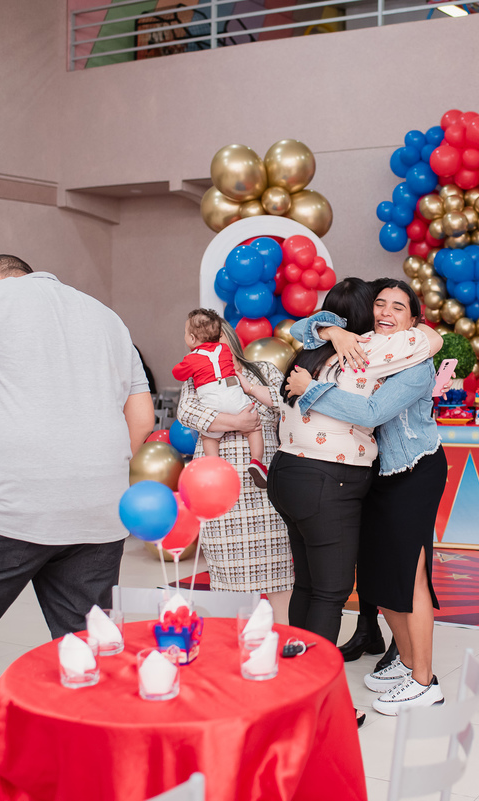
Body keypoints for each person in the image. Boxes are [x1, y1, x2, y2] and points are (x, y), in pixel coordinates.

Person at [0, 254, 153, 762]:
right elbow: (142, 414)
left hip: (2, 503)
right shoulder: (106, 316)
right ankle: (93, 767)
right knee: (88, 643)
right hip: (97, 509)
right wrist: (97, 471)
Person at [286, 279, 447, 715]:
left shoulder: (416, 361)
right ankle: (407, 660)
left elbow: (373, 412)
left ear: (413, 320)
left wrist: (311, 390)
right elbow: (297, 331)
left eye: (399, 306)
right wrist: (332, 332)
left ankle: (424, 680)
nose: (386, 311)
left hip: (415, 470)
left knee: (410, 578)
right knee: (378, 577)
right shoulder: (367, 345)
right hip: (378, 474)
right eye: (380, 303)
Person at [175, 319, 293, 624]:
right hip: (219, 489)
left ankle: (286, 644)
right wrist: (239, 423)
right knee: (228, 576)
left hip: (265, 485)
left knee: (279, 575)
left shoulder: (262, 370)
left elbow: (287, 403)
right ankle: (235, 648)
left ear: (229, 341)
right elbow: (187, 412)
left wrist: (244, 394)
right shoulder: (197, 375)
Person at [172, 309, 269, 488]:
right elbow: (186, 413)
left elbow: (177, 373)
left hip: (212, 402)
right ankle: (257, 461)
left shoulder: (193, 359)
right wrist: (239, 422)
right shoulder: (222, 351)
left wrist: (188, 361)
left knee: (210, 437)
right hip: (235, 397)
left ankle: (215, 467)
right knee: (254, 429)